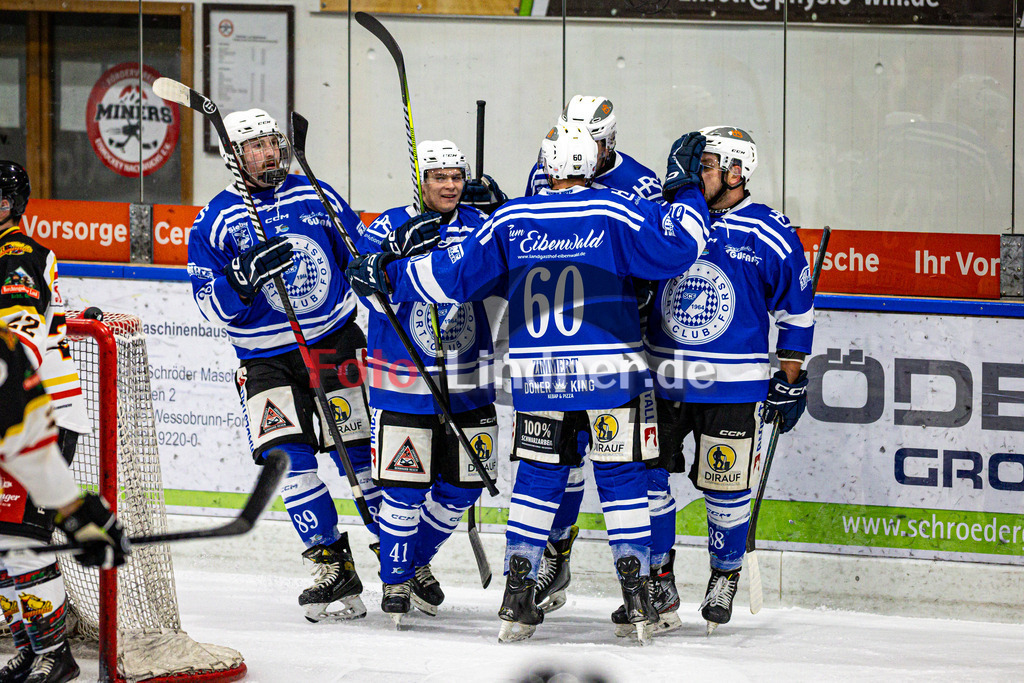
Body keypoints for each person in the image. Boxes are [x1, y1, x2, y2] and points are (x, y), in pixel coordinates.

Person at [346, 123, 712, 644]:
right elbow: (678, 248)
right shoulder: (614, 210)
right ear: (591, 164)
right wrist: (686, 187)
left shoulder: (513, 217)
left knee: (538, 483)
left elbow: (454, 274)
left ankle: (517, 599)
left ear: (549, 165)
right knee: (623, 480)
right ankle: (636, 599)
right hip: (610, 379)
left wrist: (389, 275)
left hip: (540, 380)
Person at [187, 109, 376, 623]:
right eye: (257, 146)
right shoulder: (217, 219)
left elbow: (360, 254)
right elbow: (208, 304)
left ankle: (401, 558)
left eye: (274, 142)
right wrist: (241, 280)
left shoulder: (317, 192)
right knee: (289, 464)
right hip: (264, 360)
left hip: (332, 344)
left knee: (361, 456)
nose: (271, 153)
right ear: (236, 156)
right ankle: (334, 568)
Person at [642, 126, 814, 634]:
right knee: (649, 483)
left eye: (710, 164)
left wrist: (789, 380)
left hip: (733, 388)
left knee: (725, 491)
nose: (699, 172)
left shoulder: (770, 232)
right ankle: (659, 576)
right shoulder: (671, 218)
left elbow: (797, 313)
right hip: (663, 382)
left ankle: (724, 574)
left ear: (738, 172)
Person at [524, 96, 666, 616]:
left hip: (627, 344)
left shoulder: (642, 185)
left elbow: (658, 259)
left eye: (597, 142)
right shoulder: (546, 171)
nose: (585, 148)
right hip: (556, 349)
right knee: (556, 461)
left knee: (634, 469)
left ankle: (653, 581)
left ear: (611, 140)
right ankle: (555, 558)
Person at [352, 140, 500, 626]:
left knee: (466, 483)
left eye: (457, 176)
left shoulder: (481, 227)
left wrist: (503, 214)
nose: (450, 185)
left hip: (469, 382)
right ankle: (395, 580)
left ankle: (411, 561)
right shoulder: (385, 225)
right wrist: (394, 256)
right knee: (403, 486)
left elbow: (501, 285)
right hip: (402, 381)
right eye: (439, 177)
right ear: (420, 179)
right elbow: (368, 294)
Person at [0, 327, 129, 683]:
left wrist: (70, 509)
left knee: (16, 540)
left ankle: (51, 651)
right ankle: (32, 647)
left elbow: (14, 390)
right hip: (20, 415)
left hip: (39, 411)